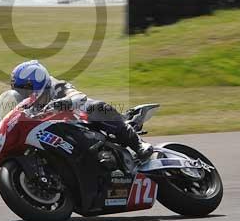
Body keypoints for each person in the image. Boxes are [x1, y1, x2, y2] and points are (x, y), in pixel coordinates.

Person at [10, 60, 153, 160]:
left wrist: (63, 102)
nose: (22, 94)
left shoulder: (57, 86)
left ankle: (138, 144)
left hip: (80, 121)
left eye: (24, 89)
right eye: (18, 90)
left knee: (96, 107)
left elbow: (78, 96)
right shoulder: (29, 103)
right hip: (56, 135)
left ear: (37, 83)